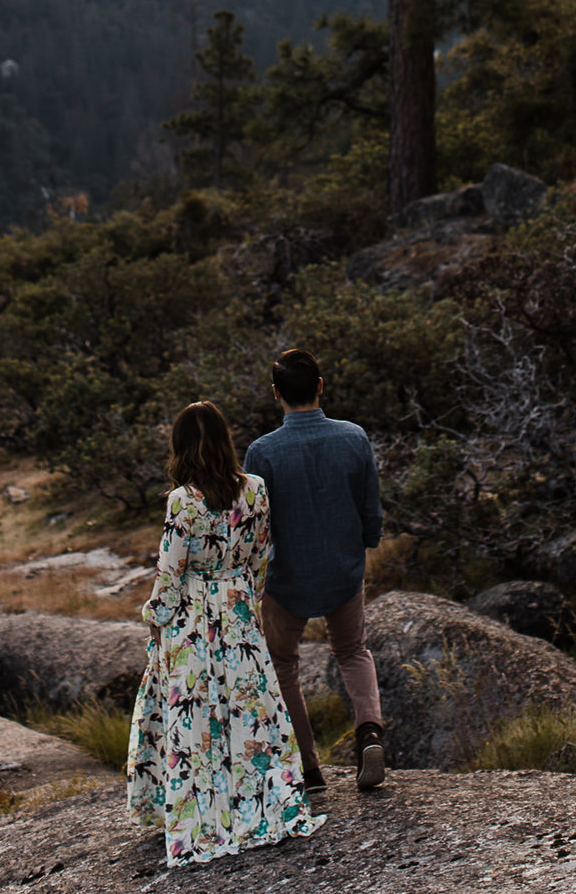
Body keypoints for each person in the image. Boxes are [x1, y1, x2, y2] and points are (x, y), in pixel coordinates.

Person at [125, 399, 321, 868]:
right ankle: (261, 807)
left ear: (180, 448)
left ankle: (200, 819)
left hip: (191, 619)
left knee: (195, 720)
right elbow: (259, 559)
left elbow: (169, 575)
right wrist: (243, 600)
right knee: (249, 715)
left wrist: (154, 616)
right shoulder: (255, 489)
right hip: (238, 615)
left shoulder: (183, 500)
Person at [241, 346, 386, 792]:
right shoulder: (353, 437)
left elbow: (255, 527)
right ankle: (369, 732)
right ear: (320, 386)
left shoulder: (262, 453)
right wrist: (364, 543)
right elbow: (371, 510)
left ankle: (308, 768)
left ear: (275, 393)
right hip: (343, 570)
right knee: (353, 651)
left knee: (283, 664)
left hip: (287, 580)